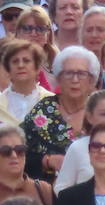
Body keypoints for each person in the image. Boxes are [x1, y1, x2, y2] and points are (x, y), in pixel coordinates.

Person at [22, 45, 99, 185]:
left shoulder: (100, 111)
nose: (75, 80)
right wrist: (47, 161)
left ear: (92, 81)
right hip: (46, 191)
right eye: (68, 73)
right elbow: (20, 152)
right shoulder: (43, 111)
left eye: (81, 74)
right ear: (58, 78)